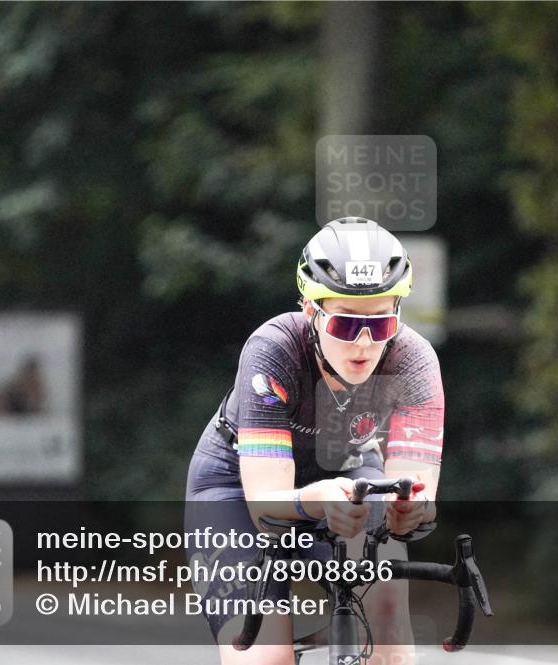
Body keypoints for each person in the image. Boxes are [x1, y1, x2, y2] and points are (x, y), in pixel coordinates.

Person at [185, 217, 444, 665]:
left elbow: (414, 497)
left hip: (348, 473)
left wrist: (409, 513)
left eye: (380, 325)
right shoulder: (274, 349)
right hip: (236, 485)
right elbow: (266, 502)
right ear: (311, 310)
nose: (363, 344)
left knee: (389, 623)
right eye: (346, 325)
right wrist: (316, 500)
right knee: (266, 658)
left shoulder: (415, 361)